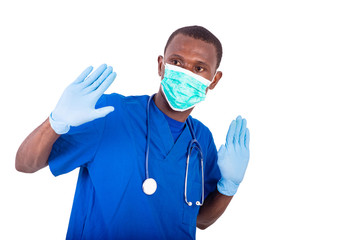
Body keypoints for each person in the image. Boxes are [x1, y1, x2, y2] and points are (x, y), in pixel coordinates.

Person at [15, 25, 250, 240]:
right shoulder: (110, 113)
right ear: (161, 65)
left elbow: (201, 220)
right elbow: (25, 164)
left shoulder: (202, 140)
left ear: (214, 80)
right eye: (177, 62)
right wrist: (55, 122)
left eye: (199, 68)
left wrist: (228, 187)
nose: (186, 73)